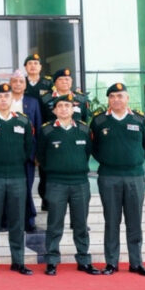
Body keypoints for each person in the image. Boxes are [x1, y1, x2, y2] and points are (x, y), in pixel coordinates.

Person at [90, 83, 145, 277]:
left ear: (127, 98)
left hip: (135, 176)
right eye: (112, 96)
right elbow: (94, 148)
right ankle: (111, 263)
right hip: (109, 177)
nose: (116, 99)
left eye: (120, 96)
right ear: (108, 99)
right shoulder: (99, 121)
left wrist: (134, 161)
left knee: (134, 221)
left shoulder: (140, 120)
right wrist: (109, 161)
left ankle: (136, 263)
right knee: (111, 221)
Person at [38, 94, 101, 276]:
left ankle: (84, 260)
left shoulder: (83, 129)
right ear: (54, 110)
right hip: (56, 183)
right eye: (60, 106)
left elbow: (88, 152)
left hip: (80, 183)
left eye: (67, 106)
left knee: (81, 224)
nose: (64, 109)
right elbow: (41, 155)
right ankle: (52, 261)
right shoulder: (46, 130)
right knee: (54, 224)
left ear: (73, 109)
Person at [0, 83, 34, 276]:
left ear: (12, 99)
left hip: (17, 176)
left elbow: (28, 147)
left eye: (6, 96)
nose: (3, 100)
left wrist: (17, 161)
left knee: (17, 221)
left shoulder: (23, 121)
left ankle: (18, 261)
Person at [39, 68, 90, 211]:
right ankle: (47, 203)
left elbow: (85, 121)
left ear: (71, 81)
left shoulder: (81, 99)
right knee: (47, 177)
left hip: (76, 144)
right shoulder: (45, 99)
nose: (65, 82)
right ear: (55, 83)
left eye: (67, 79)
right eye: (61, 79)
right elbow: (41, 120)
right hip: (53, 144)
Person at [9, 69, 42, 232]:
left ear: (25, 85)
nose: (17, 84)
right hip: (8, 152)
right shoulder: (4, 100)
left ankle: (29, 219)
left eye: (21, 81)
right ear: (10, 84)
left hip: (28, 152)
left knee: (27, 187)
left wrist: (38, 154)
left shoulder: (33, 102)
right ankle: (8, 220)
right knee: (9, 188)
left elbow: (38, 128)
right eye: (15, 81)